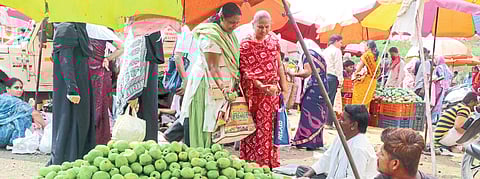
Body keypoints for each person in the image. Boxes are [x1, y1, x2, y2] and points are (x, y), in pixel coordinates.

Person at [180, 3, 242, 148]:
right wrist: (224, 88)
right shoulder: (210, 36)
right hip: (206, 83)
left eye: (237, 22)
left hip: (221, 84)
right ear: (221, 18)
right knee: (202, 120)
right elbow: (212, 67)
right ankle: (198, 153)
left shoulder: (230, 36)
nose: (235, 26)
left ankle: (210, 154)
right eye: (232, 22)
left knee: (215, 120)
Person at [239, 11, 288, 168]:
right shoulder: (246, 45)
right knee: (252, 128)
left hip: (272, 93)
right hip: (253, 94)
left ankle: (267, 162)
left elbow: (279, 64)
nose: (264, 30)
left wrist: (284, 88)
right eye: (260, 27)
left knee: (269, 128)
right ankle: (251, 162)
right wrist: (260, 86)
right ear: (253, 24)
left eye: (267, 27)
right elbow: (244, 70)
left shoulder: (273, 41)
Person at [49, 22, 96, 165]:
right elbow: (65, 60)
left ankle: (79, 160)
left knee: (81, 122)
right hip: (71, 87)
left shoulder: (79, 28)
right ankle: (66, 161)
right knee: (70, 122)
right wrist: (72, 89)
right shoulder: (66, 28)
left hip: (82, 84)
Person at [296, 104, 377, 179]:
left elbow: (352, 177)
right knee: (302, 171)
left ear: (353, 125)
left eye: (342, 120)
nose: (338, 122)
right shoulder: (341, 137)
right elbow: (327, 157)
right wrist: (308, 174)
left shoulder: (359, 148)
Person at [86, 24, 123, 145]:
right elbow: (121, 47)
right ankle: (99, 140)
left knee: (87, 106)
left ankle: (86, 140)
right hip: (100, 72)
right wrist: (107, 58)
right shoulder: (102, 30)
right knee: (100, 107)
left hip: (85, 72)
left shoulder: (81, 28)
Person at [288, 39, 328, 151]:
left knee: (308, 113)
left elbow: (307, 72)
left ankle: (305, 139)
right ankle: (315, 142)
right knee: (318, 113)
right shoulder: (318, 55)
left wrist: (293, 73)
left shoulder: (307, 54)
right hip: (323, 87)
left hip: (314, 88)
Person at [0, 78, 45, 147]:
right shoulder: (13, 101)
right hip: (3, 135)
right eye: (16, 88)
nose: (20, 90)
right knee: (23, 117)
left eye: (21, 88)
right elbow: (35, 114)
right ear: (8, 89)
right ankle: (16, 139)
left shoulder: (3, 97)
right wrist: (46, 129)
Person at [322, 35, 343, 126]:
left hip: (324, 76)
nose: (341, 45)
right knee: (330, 99)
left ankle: (322, 120)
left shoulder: (325, 51)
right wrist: (340, 79)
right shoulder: (337, 51)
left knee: (324, 98)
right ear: (336, 41)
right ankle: (328, 121)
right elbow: (338, 66)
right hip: (332, 77)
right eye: (340, 42)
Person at [352, 40, 379, 106]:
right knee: (367, 99)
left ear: (368, 46)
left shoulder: (366, 55)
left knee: (359, 97)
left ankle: (357, 113)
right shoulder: (376, 55)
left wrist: (355, 74)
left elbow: (359, 68)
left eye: (365, 45)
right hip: (373, 81)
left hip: (367, 81)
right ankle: (364, 113)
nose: (364, 47)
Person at [431, 56, 453, 123]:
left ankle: (434, 119)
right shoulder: (446, 67)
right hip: (445, 87)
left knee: (436, 102)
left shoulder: (439, 67)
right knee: (439, 103)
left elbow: (441, 76)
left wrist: (435, 80)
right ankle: (438, 118)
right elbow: (451, 75)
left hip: (438, 86)